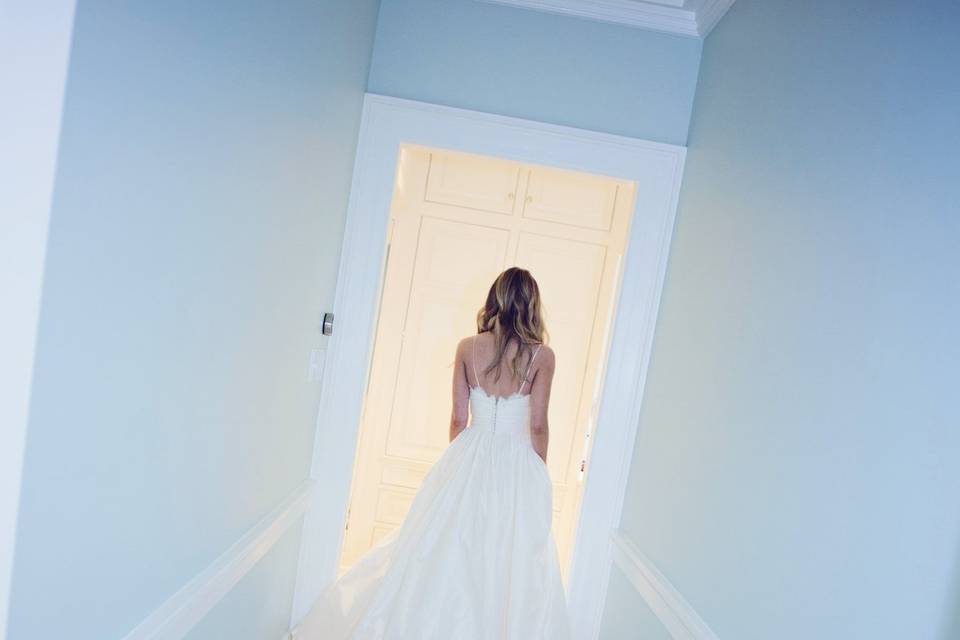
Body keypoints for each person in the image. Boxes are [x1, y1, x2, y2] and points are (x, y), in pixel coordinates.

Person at [295, 267, 570, 639]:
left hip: (469, 454)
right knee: (508, 558)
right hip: (518, 465)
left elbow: (458, 419)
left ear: (496, 299)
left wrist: (460, 465)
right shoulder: (543, 356)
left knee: (444, 551)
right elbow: (538, 425)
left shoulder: (467, 347)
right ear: (532, 305)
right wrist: (540, 471)